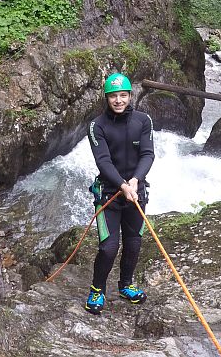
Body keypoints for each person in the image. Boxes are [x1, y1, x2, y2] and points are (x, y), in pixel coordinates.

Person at [84, 73, 154, 315]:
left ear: (130, 95)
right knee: (108, 247)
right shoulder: (96, 126)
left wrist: (135, 181)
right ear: (106, 98)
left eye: (123, 95)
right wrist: (122, 185)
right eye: (113, 96)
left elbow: (148, 154)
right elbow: (103, 160)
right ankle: (97, 289)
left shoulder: (143, 121)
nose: (118, 100)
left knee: (134, 243)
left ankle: (126, 284)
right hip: (110, 193)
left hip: (136, 191)